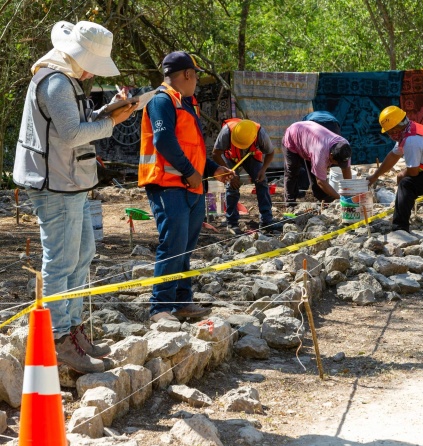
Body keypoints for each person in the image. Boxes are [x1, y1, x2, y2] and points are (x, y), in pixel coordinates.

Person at [13, 21, 138, 374]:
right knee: (61, 261)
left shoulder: (62, 79)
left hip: (68, 181)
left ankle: (71, 328)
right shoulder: (55, 82)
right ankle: (57, 337)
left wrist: (109, 110)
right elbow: (71, 135)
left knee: (82, 253)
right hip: (56, 185)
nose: (90, 72)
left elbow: (76, 125)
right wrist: (112, 122)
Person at [138, 51, 234, 324]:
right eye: (196, 77)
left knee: (185, 247)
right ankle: (160, 307)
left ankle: (181, 301)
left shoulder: (187, 104)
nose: (197, 83)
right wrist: (191, 173)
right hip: (167, 185)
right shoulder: (161, 100)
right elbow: (164, 142)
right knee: (173, 245)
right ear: (188, 74)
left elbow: (193, 149)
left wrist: (213, 170)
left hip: (190, 186)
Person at [367, 105, 423, 232]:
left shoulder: (411, 140)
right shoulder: (410, 129)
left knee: (407, 184)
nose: (389, 134)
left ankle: (400, 227)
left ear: (394, 130)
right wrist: (375, 176)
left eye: (389, 131)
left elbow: (413, 172)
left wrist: (401, 174)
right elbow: (393, 156)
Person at [212, 118, 283, 234]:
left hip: (251, 156)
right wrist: (229, 172)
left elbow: (270, 153)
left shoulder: (260, 133)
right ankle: (232, 222)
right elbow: (215, 154)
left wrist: (263, 170)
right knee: (232, 185)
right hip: (230, 157)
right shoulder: (227, 131)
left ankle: (266, 220)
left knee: (262, 181)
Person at [282, 121, 352, 206]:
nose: (339, 165)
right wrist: (340, 198)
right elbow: (321, 181)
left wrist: (349, 194)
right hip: (293, 135)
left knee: (316, 172)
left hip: (310, 140)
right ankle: (290, 201)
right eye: (337, 163)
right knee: (292, 171)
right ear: (331, 155)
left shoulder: (344, 147)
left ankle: (323, 197)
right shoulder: (320, 154)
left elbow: (346, 170)